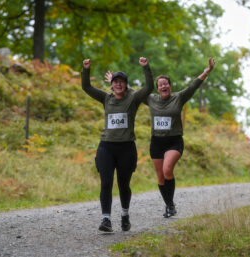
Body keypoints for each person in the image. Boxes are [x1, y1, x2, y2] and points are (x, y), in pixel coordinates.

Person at [108, 58, 215, 218]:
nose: (164, 86)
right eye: (161, 85)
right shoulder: (151, 99)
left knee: (167, 170)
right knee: (160, 177)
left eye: (166, 84)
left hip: (174, 141)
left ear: (170, 86)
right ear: (157, 88)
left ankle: (170, 204)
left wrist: (207, 71)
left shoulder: (179, 97)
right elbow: (132, 93)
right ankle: (169, 205)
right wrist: (117, 83)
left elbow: (194, 85)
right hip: (157, 142)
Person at [81, 57, 153, 232]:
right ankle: (106, 219)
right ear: (111, 84)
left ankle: (125, 214)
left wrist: (146, 67)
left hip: (126, 148)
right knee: (106, 182)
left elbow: (149, 88)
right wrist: (86, 70)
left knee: (123, 184)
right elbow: (86, 87)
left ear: (126, 85)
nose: (118, 85)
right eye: (115, 82)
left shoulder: (133, 99)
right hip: (106, 146)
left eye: (122, 82)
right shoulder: (106, 98)